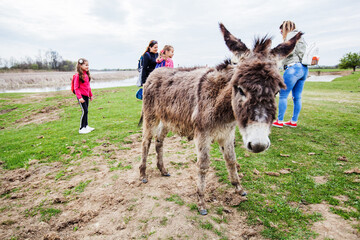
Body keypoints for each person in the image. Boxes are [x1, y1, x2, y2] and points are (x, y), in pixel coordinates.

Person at [273, 21, 308, 128]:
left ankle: (280, 120)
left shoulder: (290, 36)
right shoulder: (301, 38)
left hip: (293, 68)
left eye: (281, 30)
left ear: (285, 28)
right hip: (304, 69)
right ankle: (293, 121)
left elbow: (288, 52)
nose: (280, 32)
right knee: (297, 97)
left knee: (283, 95)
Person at [74, 58, 95, 134]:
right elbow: (76, 88)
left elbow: (88, 87)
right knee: (85, 111)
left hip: (86, 96)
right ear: (80, 65)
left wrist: (91, 95)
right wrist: (79, 97)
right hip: (81, 96)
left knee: (87, 111)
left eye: (88, 65)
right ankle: (81, 128)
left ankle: (86, 126)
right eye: (85, 65)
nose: (87, 66)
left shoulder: (86, 75)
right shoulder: (78, 76)